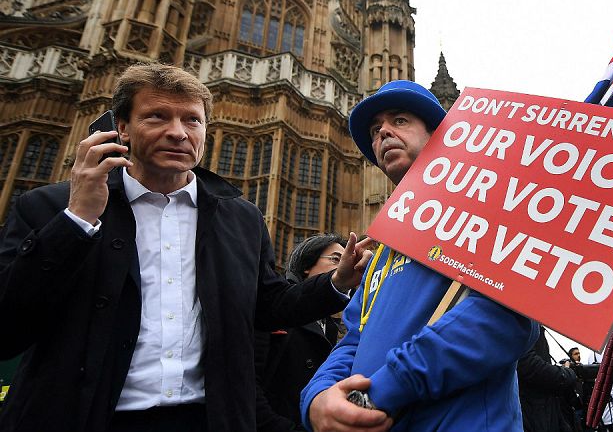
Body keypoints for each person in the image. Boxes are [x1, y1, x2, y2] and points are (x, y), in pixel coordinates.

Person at [0, 63, 369, 432]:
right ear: (122, 128)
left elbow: (268, 305)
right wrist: (77, 220)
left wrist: (337, 281)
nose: (177, 133)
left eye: (192, 120)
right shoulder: (49, 208)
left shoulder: (241, 218)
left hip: (206, 419)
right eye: (157, 117)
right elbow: (9, 325)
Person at [300, 80, 538, 431]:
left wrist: (382, 391)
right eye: (375, 128)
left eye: (399, 120)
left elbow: (506, 317)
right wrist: (318, 399)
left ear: (441, 135)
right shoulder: (383, 247)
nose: (382, 132)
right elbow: (354, 337)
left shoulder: (489, 208)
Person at [255, 234, 348, 431]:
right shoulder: (270, 307)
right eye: (335, 259)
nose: (344, 265)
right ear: (307, 264)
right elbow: (248, 385)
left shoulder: (335, 325)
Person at [518, 326, 581, 432]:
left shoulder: (533, 324)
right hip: (535, 411)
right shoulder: (523, 318)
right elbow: (527, 364)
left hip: (545, 408)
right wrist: (567, 373)